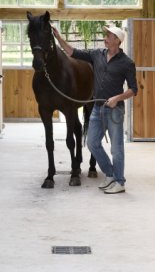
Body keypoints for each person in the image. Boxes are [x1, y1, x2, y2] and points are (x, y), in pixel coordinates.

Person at [52, 23, 138, 194]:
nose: (105, 39)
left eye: (109, 36)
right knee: (92, 143)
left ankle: (119, 182)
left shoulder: (127, 63)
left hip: (115, 111)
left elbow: (133, 90)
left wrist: (117, 98)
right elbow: (72, 52)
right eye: (106, 36)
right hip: (97, 109)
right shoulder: (97, 54)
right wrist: (58, 37)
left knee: (116, 149)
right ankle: (111, 174)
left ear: (117, 40)